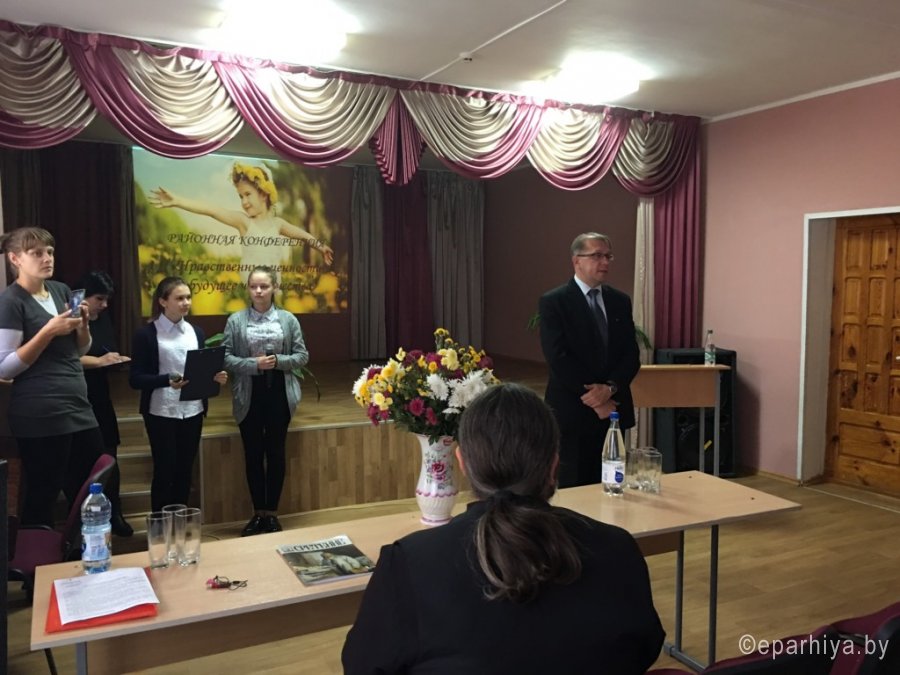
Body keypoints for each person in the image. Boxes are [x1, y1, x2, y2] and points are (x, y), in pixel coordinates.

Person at [342, 383, 664, 674]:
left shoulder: (410, 564)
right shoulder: (618, 549)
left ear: (463, 464)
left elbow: (362, 666)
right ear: (554, 466)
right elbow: (643, 649)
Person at [0, 227, 103, 527]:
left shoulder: (60, 290)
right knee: (44, 493)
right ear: (15, 259)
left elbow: (80, 349)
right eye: (37, 253)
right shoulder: (11, 301)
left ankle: (82, 550)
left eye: (50, 252)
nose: (47, 258)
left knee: (91, 487)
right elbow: (5, 367)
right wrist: (47, 331)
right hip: (40, 413)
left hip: (77, 405)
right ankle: (36, 555)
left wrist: (83, 326)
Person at [539, 232, 641, 488]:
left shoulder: (620, 301)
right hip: (573, 410)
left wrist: (610, 389)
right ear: (577, 261)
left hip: (613, 407)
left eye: (608, 256)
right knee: (574, 487)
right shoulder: (555, 302)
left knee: (611, 483)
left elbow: (630, 354)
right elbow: (558, 358)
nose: (605, 262)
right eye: (597, 255)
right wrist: (595, 399)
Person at [222, 266, 309, 536]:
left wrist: (278, 361)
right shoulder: (236, 320)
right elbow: (225, 358)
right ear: (248, 289)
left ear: (274, 288)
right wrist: (254, 364)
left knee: (275, 453)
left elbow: (302, 356)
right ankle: (257, 513)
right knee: (253, 454)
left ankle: (272, 514)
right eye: (253, 286)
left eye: (264, 286)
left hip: (279, 393)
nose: (258, 291)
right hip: (248, 394)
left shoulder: (288, 319)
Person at [129, 276, 228, 511]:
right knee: (164, 470)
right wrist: (166, 380)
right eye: (179, 298)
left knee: (185, 470)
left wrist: (215, 377)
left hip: (192, 410)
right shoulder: (146, 334)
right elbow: (135, 379)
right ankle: (160, 523)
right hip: (161, 410)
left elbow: (198, 370)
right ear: (163, 301)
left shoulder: (196, 332)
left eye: (188, 297)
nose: (186, 303)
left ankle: (181, 521)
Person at [148, 161, 334, 280]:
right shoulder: (244, 222)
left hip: (272, 290)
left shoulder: (278, 224)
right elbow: (212, 210)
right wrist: (177, 201)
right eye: (240, 196)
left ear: (264, 193)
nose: (244, 202)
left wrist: (320, 247)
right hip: (250, 288)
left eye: (247, 194)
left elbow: (301, 235)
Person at [73, 270, 134, 537]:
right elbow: (66, 358)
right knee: (80, 461)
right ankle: (82, 522)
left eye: (107, 299)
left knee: (110, 455)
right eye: (99, 298)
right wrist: (99, 361)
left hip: (100, 394)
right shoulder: (69, 318)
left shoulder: (104, 318)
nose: (105, 304)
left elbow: (105, 348)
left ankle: (115, 512)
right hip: (75, 396)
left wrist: (111, 358)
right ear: (82, 297)